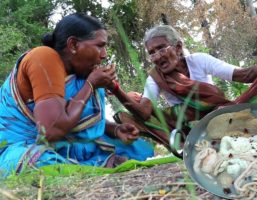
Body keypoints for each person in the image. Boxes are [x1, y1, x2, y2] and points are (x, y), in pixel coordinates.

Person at [0, 13, 154, 178]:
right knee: (40, 163)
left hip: (63, 144)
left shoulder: (80, 72)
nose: (104, 54)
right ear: (73, 45)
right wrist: (90, 84)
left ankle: (92, 165)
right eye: (99, 46)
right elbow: (50, 131)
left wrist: (114, 130)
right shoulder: (43, 57)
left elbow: (74, 118)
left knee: (141, 150)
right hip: (23, 145)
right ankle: (102, 165)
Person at [112, 25, 257, 152]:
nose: (157, 57)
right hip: (192, 128)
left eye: (161, 49)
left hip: (223, 113)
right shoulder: (155, 78)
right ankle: (193, 143)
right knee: (137, 110)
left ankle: (225, 130)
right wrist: (115, 88)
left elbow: (243, 75)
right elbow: (144, 111)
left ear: (178, 47)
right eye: (151, 53)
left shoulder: (199, 60)